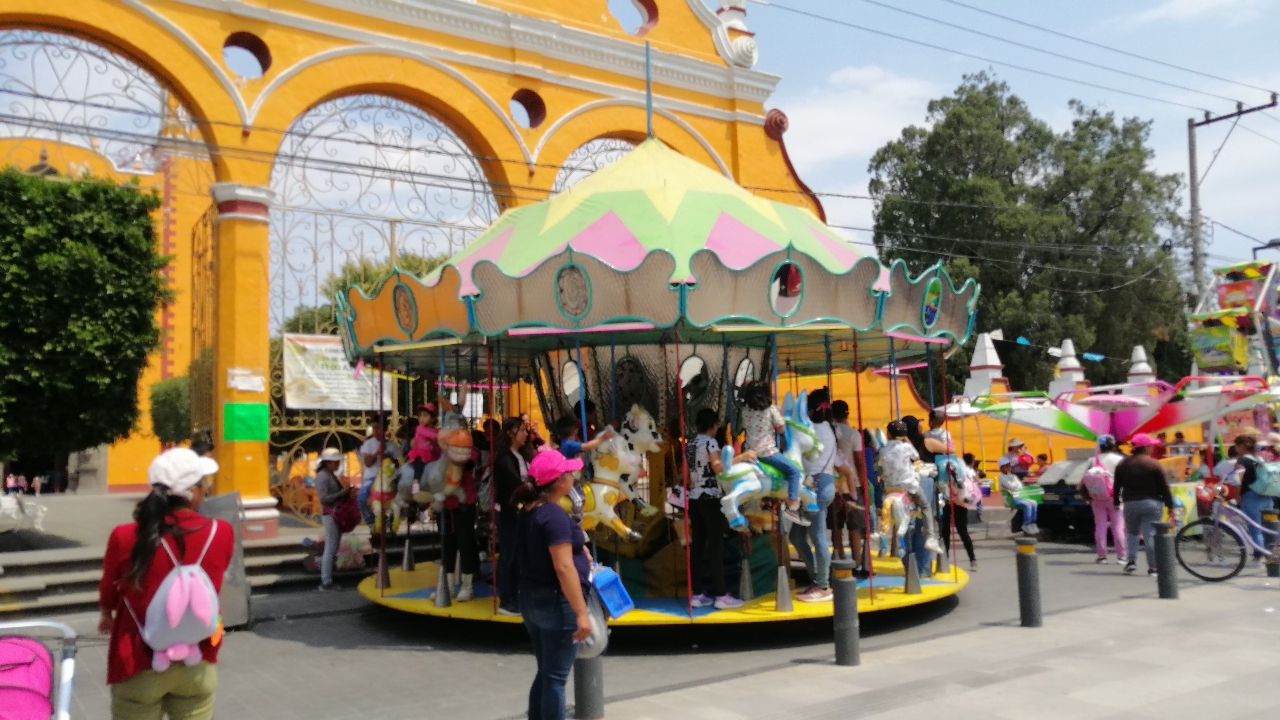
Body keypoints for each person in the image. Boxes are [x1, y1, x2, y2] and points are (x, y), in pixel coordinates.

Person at [98, 448, 233, 720]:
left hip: (137, 661)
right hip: (197, 660)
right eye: (204, 484)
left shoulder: (125, 536)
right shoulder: (222, 532)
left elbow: (109, 588)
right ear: (193, 492)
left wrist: (106, 614)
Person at [513, 450, 594, 720]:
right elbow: (563, 566)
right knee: (556, 679)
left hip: (531, 597)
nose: (573, 477)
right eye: (569, 473)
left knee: (546, 673)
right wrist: (581, 612)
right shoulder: (554, 515)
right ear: (559, 482)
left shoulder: (530, 511)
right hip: (555, 602)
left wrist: (579, 551)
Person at [687, 408, 748, 609]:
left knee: (697, 546)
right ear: (713, 426)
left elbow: (686, 474)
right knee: (715, 547)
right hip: (711, 498)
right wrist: (741, 458)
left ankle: (696, 593)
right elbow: (717, 466)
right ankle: (721, 595)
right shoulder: (710, 442)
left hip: (694, 497)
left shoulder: (691, 443)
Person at [792, 390, 840, 602]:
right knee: (796, 535)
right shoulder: (830, 427)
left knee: (818, 536)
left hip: (815, 485)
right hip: (825, 482)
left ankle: (823, 585)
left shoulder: (810, 429)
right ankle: (817, 578)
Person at [739, 379, 807, 526]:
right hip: (767, 452)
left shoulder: (745, 410)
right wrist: (780, 415)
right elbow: (781, 429)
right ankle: (793, 506)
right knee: (795, 471)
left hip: (749, 451)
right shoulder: (770, 409)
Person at [874, 420, 944, 555]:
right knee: (925, 506)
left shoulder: (883, 450)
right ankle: (930, 537)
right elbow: (916, 458)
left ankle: (882, 531)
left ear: (888, 434)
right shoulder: (907, 447)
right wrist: (906, 440)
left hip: (890, 486)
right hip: (908, 485)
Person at [1113, 433, 1175, 576]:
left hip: (1130, 503)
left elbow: (1117, 486)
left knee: (1132, 533)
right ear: (1146, 447)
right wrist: (1170, 505)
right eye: (1151, 446)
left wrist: (1116, 501)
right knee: (1150, 535)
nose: (1153, 448)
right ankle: (1153, 567)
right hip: (1152, 503)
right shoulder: (1154, 464)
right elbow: (1164, 487)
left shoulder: (1123, 464)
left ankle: (1131, 562)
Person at [494, 417, 531, 615]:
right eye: (522, 430)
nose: (526, 434)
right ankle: (506, 600)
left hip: (520, 512)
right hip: (509, 512)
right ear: (510, 433)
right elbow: (515, 484)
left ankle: (516, 595)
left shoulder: (521, 456)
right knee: (509, 554)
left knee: (518, 555)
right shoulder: (504, 458)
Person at [1079, 435, 1126, 565]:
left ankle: (1102, 556)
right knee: (1118, 526)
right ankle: (1122, 556)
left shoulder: (1093, 460)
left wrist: (1085, 495)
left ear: (1100, 446)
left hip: (1097, 496)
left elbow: (1084, 479)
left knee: (1100, 526)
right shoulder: (1120, 460)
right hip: (1116, 496)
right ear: (1114, 446)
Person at [313, 447, 351, 591]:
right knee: (330, 547)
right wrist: (342, 493)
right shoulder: (323, 476)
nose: (338, 465)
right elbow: (324, 498)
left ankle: (328, 577)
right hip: (330, 515)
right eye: (335, 462)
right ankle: (326, 581)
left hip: (335, 514)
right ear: (328, 462)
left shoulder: (329, 474)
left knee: (333, 547)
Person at [1234, 433, 1275, 556]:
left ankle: (1259, 557)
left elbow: (1237, 480)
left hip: (1251, 497)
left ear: (1242, 446)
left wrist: (1237, 496)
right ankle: (1272, 555)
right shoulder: (1259, 459)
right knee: (1269, 528)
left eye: (1237, 446)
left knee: (1255, 528)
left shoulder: (1242, 460)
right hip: (1267, 496)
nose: (1236, 448)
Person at [359, 421, 401, 527]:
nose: (377, 432)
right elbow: (368, 463)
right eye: (375, 429)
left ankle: (395, 519)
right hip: (372, 476)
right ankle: (371, 522)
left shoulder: (392, 446)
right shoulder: (368, 444)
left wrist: (389, 458)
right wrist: (378, 453)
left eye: (379, 429)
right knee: (362, 499)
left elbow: (398, 463)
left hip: (388, 476)